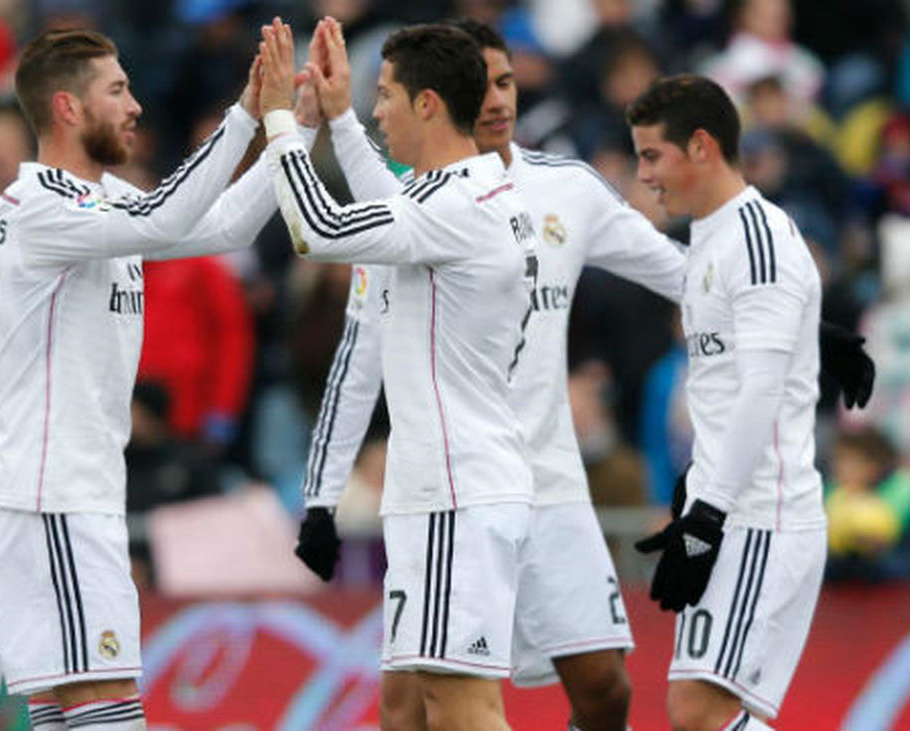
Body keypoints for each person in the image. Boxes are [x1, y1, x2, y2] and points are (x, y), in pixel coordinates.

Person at [292, 19, 876, 730]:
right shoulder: (407, 214)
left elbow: (682, 272)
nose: (496, 97)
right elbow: (357, 359)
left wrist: (802, 324)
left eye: (506, 80)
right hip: (456, 484)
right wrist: (321, 497)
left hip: (538, 485)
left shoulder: (562, 190)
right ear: (440, 98)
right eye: (481, 83)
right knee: (417, 705)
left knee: (599, 687)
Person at [0, 28, 310, 729]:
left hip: (65, 494)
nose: (135, 107)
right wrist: (247, 113)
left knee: (68, 714)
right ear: (67, 108)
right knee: (106, 709)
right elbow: (171, 213)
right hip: (51, 499)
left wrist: (296, 124)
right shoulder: (42, 208)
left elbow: (221, 226)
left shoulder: (97, 205)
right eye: (118, 90)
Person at [260, 19, 537, 730]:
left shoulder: (450, 208)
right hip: (446, 490)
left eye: (384, 96)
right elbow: (397, 203)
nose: (375, 108)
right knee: (409, 707)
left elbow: (314, 230)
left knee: (459, 703)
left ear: (428, 104)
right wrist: (343, 120)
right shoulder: (466, 194)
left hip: (455, 492)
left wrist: (279, 121)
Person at [627, 74, 826, 731]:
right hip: (728, 510)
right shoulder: (711, 241)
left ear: (702, 146)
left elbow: (763, 389)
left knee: (698, 710)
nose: (644, 174)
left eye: (653, 155)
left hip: (763, 513)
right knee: (697, 711)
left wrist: (706, 516)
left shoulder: (758, 239)